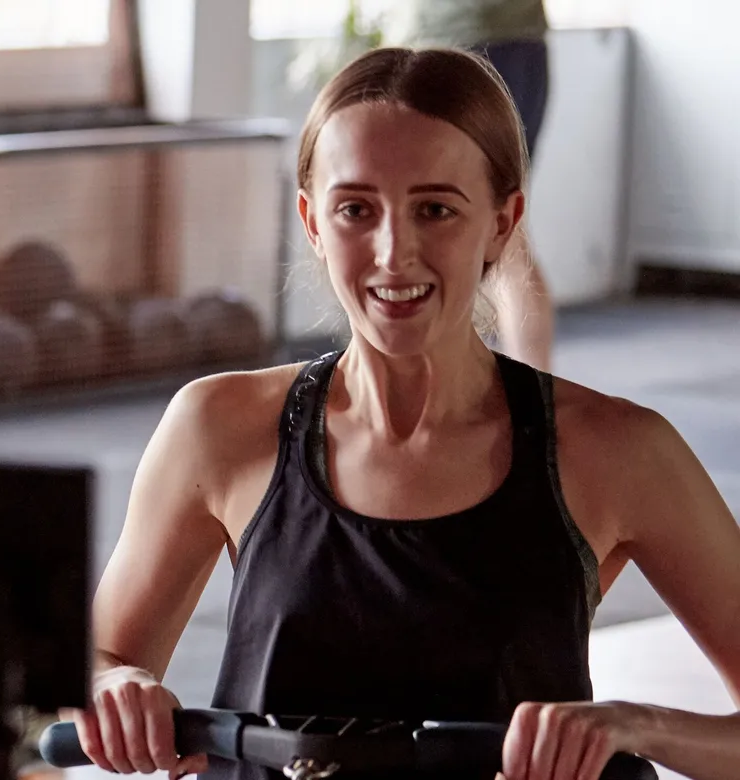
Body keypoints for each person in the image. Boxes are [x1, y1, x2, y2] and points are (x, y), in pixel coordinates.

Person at [78, 48, 740, 780]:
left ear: (502, 221)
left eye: (435, 210)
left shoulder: (617, 451)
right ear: (312, 222)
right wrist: (114, 686)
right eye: (356, 210)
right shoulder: (218, 427)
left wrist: (636, 724)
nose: (394, 254)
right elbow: (101, 661)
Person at [388, 0, 555, 371]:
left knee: (442, 232)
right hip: (521, 44)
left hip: (455, 45)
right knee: (506, 237)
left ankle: (440, 386)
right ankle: (533, 395)